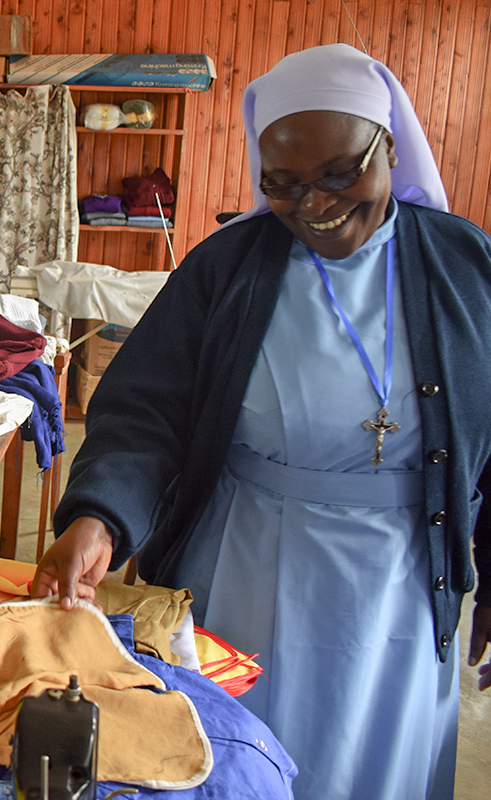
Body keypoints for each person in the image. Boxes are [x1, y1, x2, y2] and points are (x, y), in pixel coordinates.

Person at [31, 44, 491, 799]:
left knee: (375, 766)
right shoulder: (225, 269)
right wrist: (101, 518)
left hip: (401, 581)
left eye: (340, 173)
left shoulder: (464, 266)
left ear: (392, 147)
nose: (314, 205)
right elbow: (146, 414)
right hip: (247, 565)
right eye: (282, 184)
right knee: (236, 755)